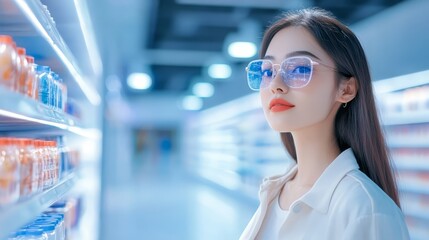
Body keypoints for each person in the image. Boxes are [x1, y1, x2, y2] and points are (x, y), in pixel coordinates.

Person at [240, 7, 410, 240]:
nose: (275, 85)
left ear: (346, 89)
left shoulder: (366, 211)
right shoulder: (274, 193)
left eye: (299, 69)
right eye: (267, 71)